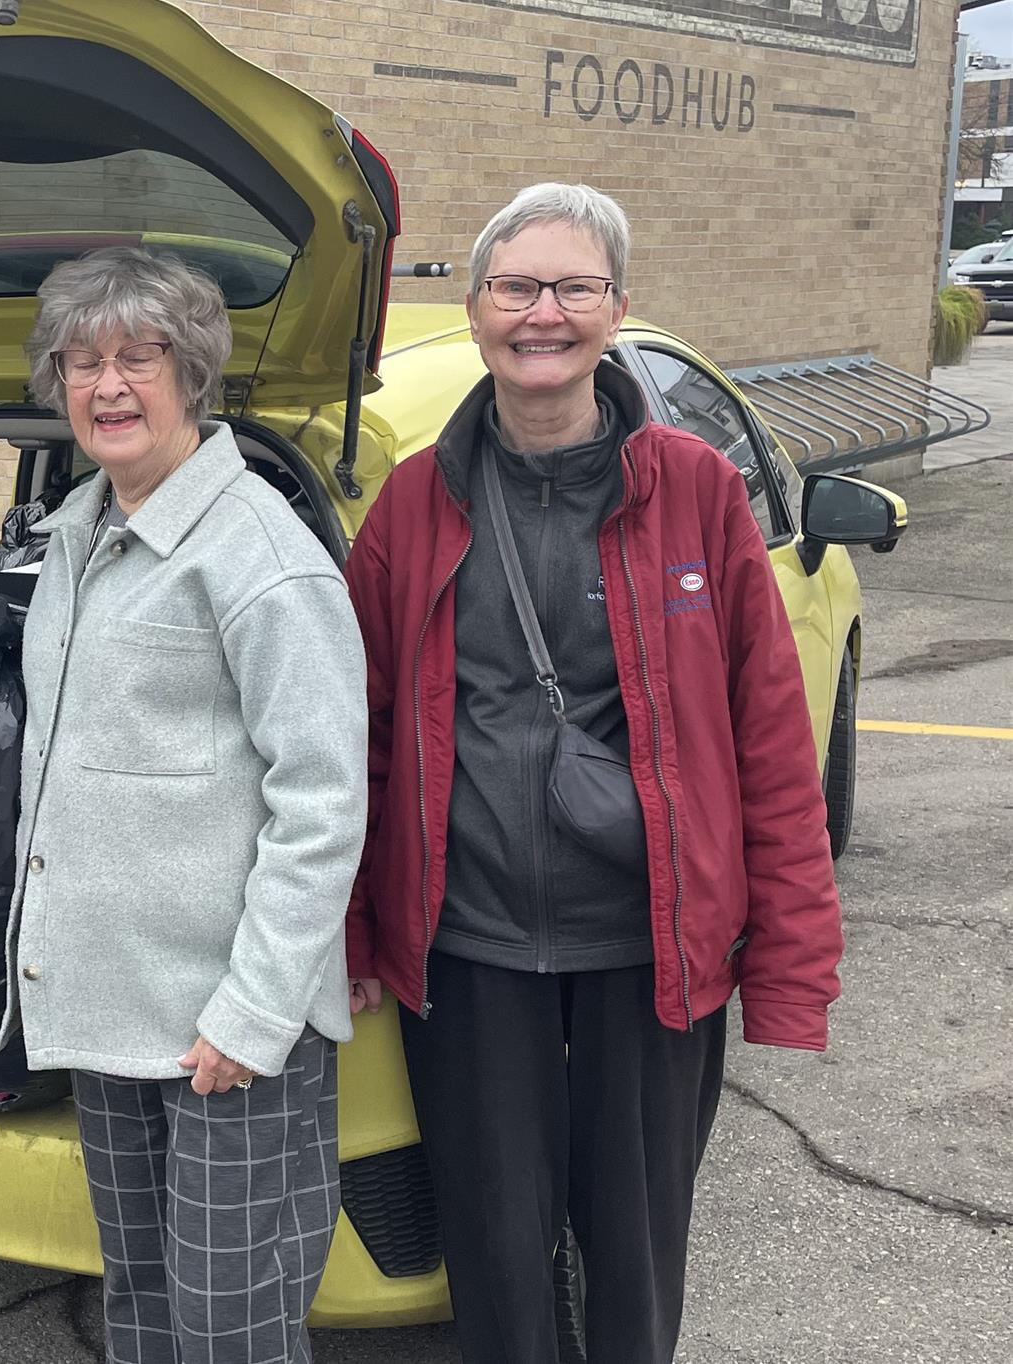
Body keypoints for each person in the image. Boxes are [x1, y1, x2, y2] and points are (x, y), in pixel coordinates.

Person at [342, 183, 844, 1364]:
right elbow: (359, 734)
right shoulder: (412, 502)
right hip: (467, 949)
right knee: (496, 1261)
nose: (543, 314)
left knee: (632, 1255)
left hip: (646, 947)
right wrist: (355, 929)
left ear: (615, 308)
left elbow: (769, 747)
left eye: (573, 287)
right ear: (476, 308)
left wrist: (787, 972)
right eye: (516, 287)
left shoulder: (695, 490)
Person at [0, 246, 367, 1364]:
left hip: (222, 1033)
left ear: (190, 372)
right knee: (143, 1307)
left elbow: (322, 799)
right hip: (112, 1010)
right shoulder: (78, 531)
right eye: (80, 361)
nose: (106, 386)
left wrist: (253, 1010)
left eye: (136, 358)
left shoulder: (261, 556)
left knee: (230, 1331)